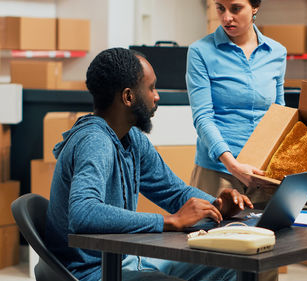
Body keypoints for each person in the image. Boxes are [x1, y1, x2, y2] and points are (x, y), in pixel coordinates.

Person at [44, 47, 253, 281]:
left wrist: (215, 205)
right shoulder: (95, 141)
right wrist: (169, 221)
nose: (157, 96)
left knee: (229, 264)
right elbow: (83, 213)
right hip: (93, 273)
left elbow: (173, 191)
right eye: (151, 88)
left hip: (125, 259)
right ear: (128, 97)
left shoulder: (132, 139)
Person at [186, 0, 287, 205]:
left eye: (235, 8)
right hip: (218, 173)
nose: (226, 17)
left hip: (263, 173)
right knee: (213, 236)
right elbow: (202, 117)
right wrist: (233, 166)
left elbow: (280, 114)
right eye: (220, 8)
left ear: (255, 7)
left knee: (271, 236)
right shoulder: (200, 52)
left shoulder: (276, 52)